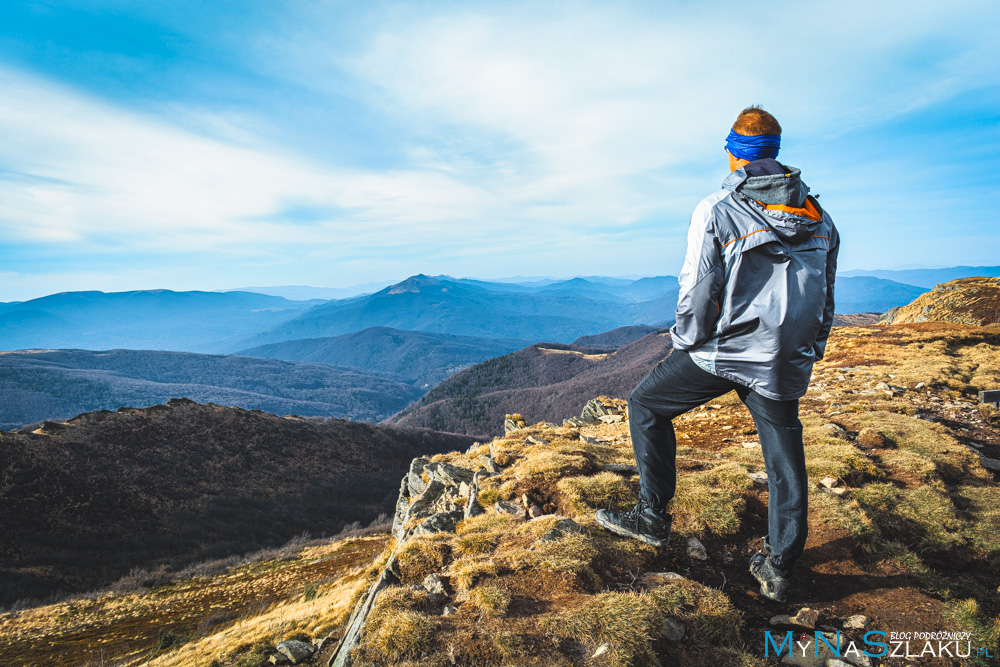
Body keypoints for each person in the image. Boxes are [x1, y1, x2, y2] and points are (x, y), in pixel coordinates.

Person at [595, 106, 839, 602]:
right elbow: (826, 295)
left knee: (646, 404)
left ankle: (651, 517)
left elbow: (699, 287)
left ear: (733, 152)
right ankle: (779, 562)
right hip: (781, 358)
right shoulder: (819, 217)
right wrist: (810, 348)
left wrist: (686, 342)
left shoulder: (719, 208)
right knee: (783, 455)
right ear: (774, 150)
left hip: (725, 352)